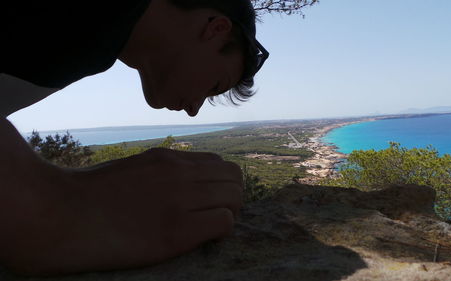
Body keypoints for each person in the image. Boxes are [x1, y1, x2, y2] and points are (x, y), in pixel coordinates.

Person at [0, 0, 268, 276]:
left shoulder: (99, 41)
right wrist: (55, 207)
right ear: (216, 29)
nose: (194, 109)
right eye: (214, 86)